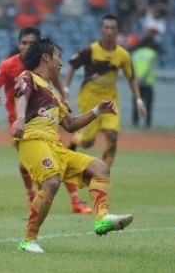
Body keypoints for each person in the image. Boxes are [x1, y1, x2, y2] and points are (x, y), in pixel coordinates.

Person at [12, 37, 133, 253]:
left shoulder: (54, 96)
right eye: (59, 57)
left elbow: (70, 124)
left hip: (55, 145)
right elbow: (22, 95)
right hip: (33, 138)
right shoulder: (27, 76)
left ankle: (102, 218)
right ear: (46, 57)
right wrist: (20, 118)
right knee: (51, 182)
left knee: (100, 168)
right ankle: (28, 240)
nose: (61, 63)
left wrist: (97, 111)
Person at [0, 27, 91, 214]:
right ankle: (31, 195)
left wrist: (65, 99)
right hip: (19, 122)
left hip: (45, 119)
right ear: (18, 44)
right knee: (27, 162)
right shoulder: (8, 65)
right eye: (23, 43)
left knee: (60, 156)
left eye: (31, 43)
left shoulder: (44, 66)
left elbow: (57, 83)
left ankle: (75, 201)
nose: (26, 46)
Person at [64, 15, 147, 167]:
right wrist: (66, 90)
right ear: (101, 30)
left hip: (110, 100)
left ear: (117, 31)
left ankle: (104, 173)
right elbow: (72, 66)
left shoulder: (123, 55)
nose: (109, 31)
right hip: (89, 99)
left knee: (112, 135)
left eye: (112, 28)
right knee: (88, 143)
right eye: (106, 27)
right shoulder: (90, 50)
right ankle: (77, 138)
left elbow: (131, 78)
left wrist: (139, 100)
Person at [131, 36, 160, 128]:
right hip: (147, 83)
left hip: (136, 83)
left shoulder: (135, 53)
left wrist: (137, 79)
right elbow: (148, 67)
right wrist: (142, 78)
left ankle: (135, 123)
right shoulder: (152, 53)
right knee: (148, 105)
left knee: (136, 103)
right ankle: (147, 124)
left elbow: (132, 67)